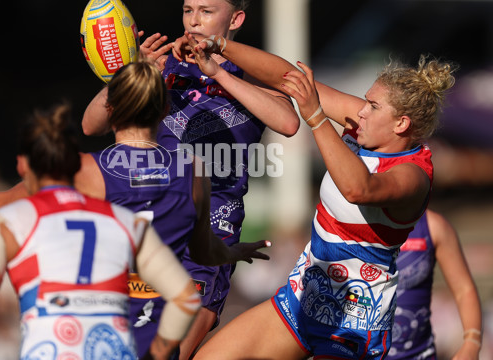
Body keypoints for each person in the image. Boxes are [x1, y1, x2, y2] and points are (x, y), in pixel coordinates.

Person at [0, 61, 271, 358]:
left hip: (96, 327)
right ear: (163, 112)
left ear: (111, 110)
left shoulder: (86, 170)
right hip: (158, 332)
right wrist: (235, 250)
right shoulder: (194, 170)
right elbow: (203, 250)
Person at [184, 35, 457, 359]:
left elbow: (359, 189)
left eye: (373, 106)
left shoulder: (414, 174)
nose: (362, 111)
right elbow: (289, 79)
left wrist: (316, 117)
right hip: (303, 297)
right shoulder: (364, 126)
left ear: (401, 123)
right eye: (365, 101)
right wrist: (218, 49)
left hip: (354, 319)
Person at [82, 0, 300, 358]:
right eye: (187, 11)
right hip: (155, 231)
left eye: (205, 11)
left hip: (211, 236)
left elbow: (288, 122)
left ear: (235, 20)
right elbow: (91, 125)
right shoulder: (164, 68)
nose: (193, 21)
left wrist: (218, 71)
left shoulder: (249, 71)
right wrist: (133, 73)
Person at [0, 103, 201, 360]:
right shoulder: (123, 221)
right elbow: (186, 298)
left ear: (21, 165)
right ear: (76, 162)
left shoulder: (9, 223)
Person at [389, 209, 482, 360]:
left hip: (419, 355)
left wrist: (472, 343)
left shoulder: (433, 225)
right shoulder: (347, 222)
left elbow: (464, 289)